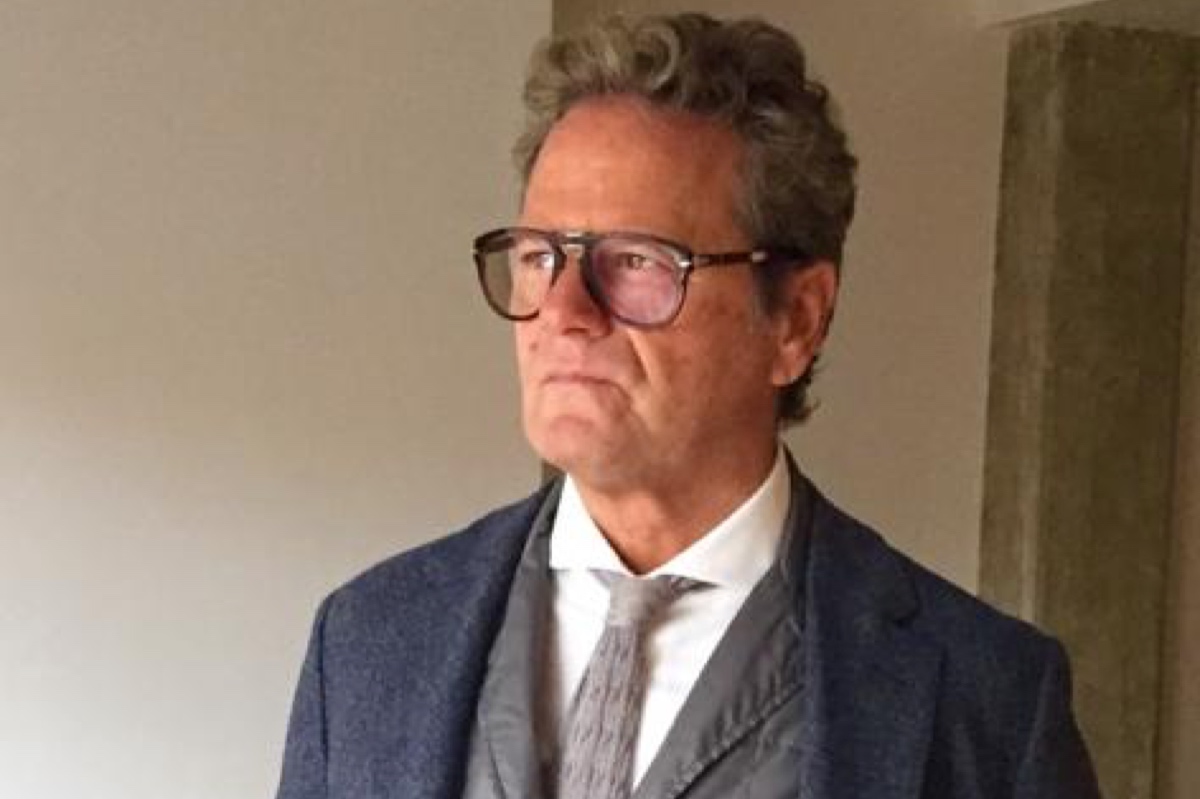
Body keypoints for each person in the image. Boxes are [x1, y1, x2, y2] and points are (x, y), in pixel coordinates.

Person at [276, 13, 1100, 799]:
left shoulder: (989, 702)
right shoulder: (367, 641)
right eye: (537, 255)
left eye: (637, 260)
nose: (563, 310)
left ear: (796, 319)